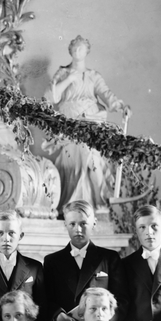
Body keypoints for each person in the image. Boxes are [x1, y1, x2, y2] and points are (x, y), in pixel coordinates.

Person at [41, 36, 129, 210]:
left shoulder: (93, 76)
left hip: (91, 123)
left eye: (80, 48)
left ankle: (99, 204)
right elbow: (51, 96)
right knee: (73, 162)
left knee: (92, 158)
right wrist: (69, 79)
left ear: (86, 52)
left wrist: (121, 106)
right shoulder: (63, 73)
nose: (77, 51)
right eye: (74, 48)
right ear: (70, 51)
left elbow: (106, 95)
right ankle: (73, 206)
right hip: (69, 125)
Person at [41, 201, 122, 321]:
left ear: (94, 223)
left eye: (83, 223)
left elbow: (121, 300)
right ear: (65, 224)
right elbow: (46, 299)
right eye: (72, 224)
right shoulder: (52, 261)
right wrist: (59, 316)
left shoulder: (109, 258)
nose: (78, 229)